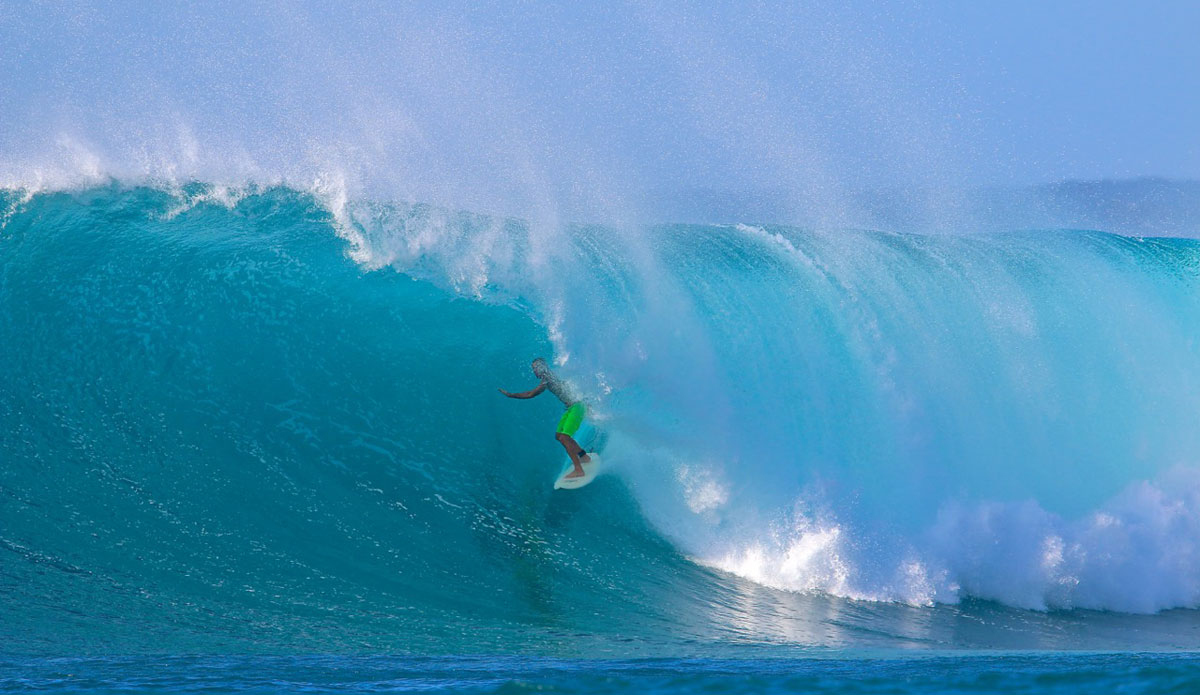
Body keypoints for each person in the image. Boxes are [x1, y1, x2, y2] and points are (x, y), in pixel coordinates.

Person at [500, 358, 591, 478]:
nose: (534, 371)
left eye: (535, 368)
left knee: (564, 437)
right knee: (559, 436)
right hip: (571, 407)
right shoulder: (548, 378)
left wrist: (510, 395)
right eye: (533, 368)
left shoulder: (548, 378)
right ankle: (584, 456)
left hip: (577, 407)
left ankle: (578, 469)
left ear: (542, 367)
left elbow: (530, 394)